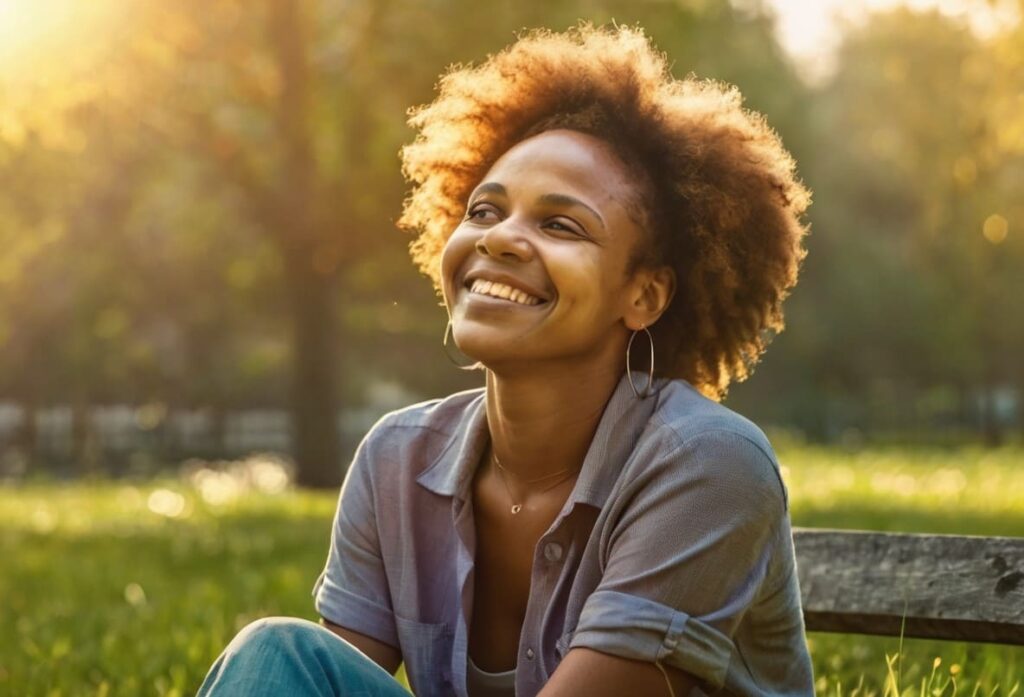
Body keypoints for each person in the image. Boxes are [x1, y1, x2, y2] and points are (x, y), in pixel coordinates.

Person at [198, 24, 814, 697]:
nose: (502, 239)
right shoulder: (396, 460)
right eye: (484, 210)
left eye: (560, 224)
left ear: (644, 293)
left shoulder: (708, 464)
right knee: (281, 654)